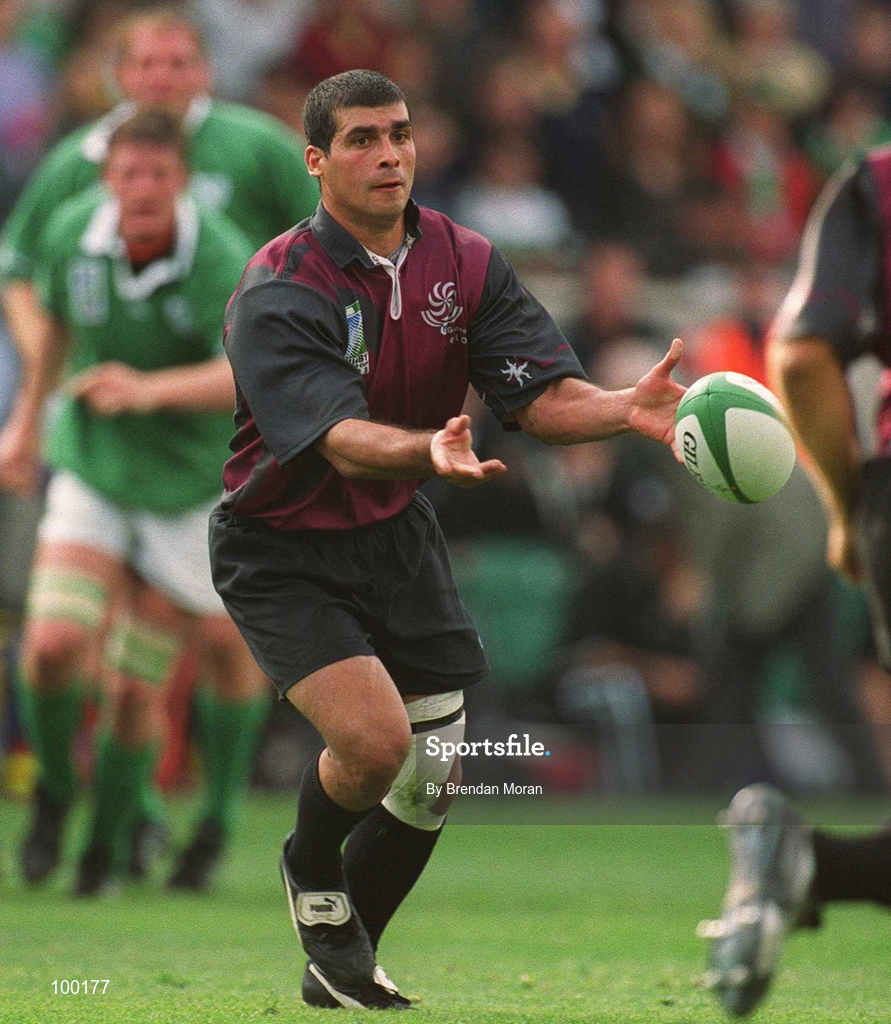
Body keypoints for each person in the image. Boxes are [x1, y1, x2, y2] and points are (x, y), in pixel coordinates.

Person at [210, 69, 686, 1009]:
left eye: (399, 133)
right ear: (316, 162)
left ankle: (344, 959)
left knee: (433, 778)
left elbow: (539, 397)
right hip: (281, 543)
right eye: (360, 139)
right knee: (376, 746)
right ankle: (310, 864)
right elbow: (337, 438)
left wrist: (624, 409)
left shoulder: (465, 260)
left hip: (395, 533)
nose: (388, 154)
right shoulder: (279, 284)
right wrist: (426, 447)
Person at [0, 4, 316, 889]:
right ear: (118, 76)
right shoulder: (76, 182)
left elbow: (320, 263)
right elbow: (30, 284)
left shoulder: (252, 166)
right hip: (101, 457)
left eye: (179, 62)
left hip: (217, 460)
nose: (162, 78)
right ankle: (89, 803)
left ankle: (206, 819)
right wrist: (30, 413)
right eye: (146, 63)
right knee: (59, 648)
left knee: (221, 648)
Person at [700, 137, 891, 1016]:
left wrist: (848, 511)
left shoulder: (881, 181)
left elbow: (799, 356)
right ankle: (810, 863)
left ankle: (806, 863)